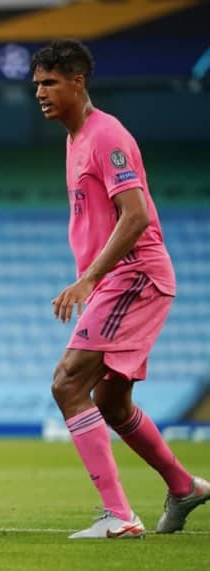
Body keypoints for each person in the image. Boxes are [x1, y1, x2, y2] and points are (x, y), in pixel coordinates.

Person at [32, 39, 209, 538]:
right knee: (111, 403)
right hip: (119, 279)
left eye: (50, 83)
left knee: (67, 383)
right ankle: (183, 487)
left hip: (133, 275)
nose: (40, 93)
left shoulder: (107, 136)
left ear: (78, 82)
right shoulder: (76, 139)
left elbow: (136, 215)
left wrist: (89, 277)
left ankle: (120, 516)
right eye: (37, 84)